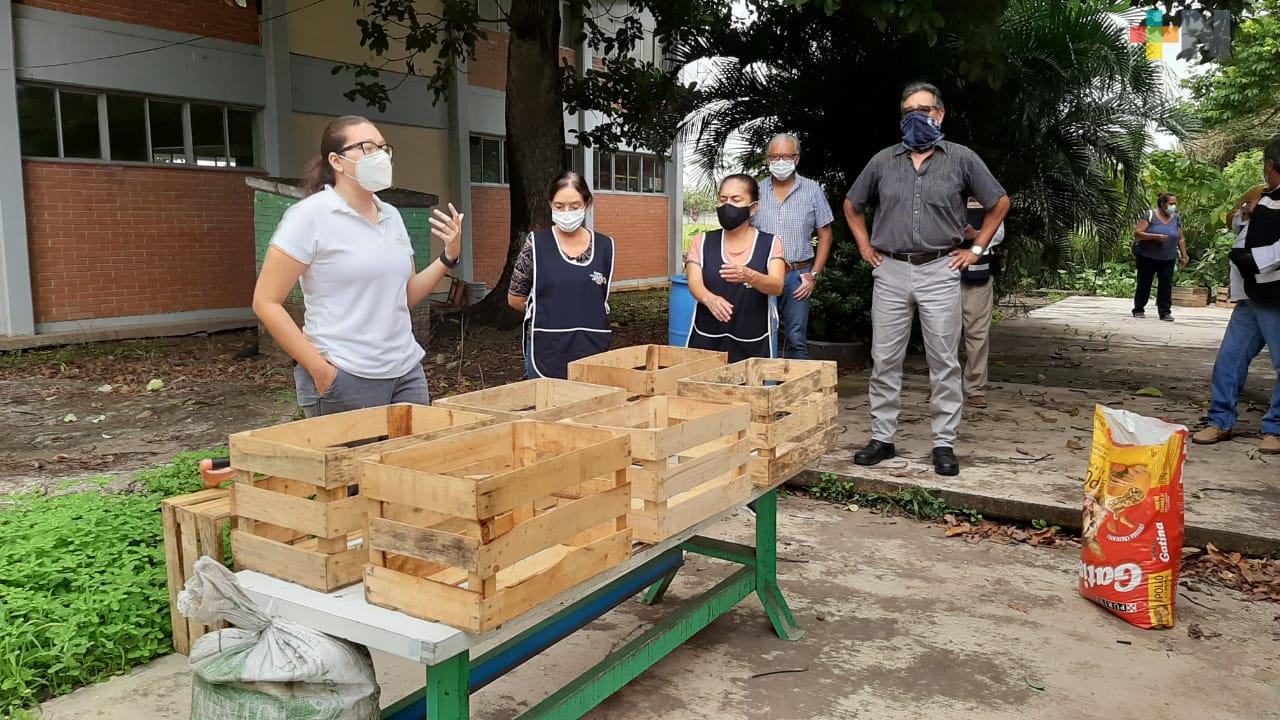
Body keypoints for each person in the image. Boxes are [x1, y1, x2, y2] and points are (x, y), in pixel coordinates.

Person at [843, 82, 1010, 476]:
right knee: (885, 357)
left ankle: (943, 443)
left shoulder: (962, 159)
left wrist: (976, 249)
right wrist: (865, 246)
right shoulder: (883, 161)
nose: (916, 117)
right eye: (908, 112)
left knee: (944, 359)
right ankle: (882, 437)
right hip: (891, 269)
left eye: (924, 110)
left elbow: (999, 202)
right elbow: (852, 204)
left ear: (940, 113)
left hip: (940, 268)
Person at [253, 115, 463, 418]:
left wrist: (448, 256)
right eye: (367, 147)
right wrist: (320, 371)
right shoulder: (309, 216)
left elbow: (404, 296)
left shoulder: (391, 215)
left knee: (415, 450)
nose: (380, 156)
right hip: (345, 376)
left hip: (405, 372)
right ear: (336, 161)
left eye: (383, 147)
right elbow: (266, 302)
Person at [1191, 135, 1280, 454]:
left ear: (1270, 165)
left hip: (1275, 295)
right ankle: (1220, 420)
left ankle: (1276, 429)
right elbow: (1239, 224)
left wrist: (1253, 260)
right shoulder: (1264, 196)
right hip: (1251, 295)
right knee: (1230, 359)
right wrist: (1248, 211)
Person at [508, 172, 615, 379]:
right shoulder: (536, 244)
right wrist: (548, 312)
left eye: (574, 206)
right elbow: (515, 299)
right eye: (559, 206)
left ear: (587, 204)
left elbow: (598, 299)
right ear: (550, 204)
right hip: (547, 349)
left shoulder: (605, 247)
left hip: (592, 349)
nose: (567, 213)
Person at [685, 174, 786, 361]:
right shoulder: (702, 241)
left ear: (753, 207)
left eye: (736, 200)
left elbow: (777, 286)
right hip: (707, 339)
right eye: (723, 200)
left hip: (752, 342)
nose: (727, 205)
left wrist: (750, 276)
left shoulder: (771, 243)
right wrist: (709, 299)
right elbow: (694, 281)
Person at [752, 133, 834, 359]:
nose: (780, 162)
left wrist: (814, 275)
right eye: (775, 157)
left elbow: (826, 235)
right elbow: (743, 231)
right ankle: (764, 379)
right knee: (760, 334)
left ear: (796, 159)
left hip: (798, 276)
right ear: (767, 159)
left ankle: (800, 381)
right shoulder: (756, 191)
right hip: (762, 274)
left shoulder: (812, 190)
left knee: (796, 339)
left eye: (786, 156)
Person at [960, 197, 1006, 409]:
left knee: (977, 332)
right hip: (941, 272)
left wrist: (977, 235)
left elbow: (999, 232)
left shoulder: (988, 194)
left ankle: (975, 388)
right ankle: (943, 387)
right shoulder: (938, 187)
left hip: (978, 273)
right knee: (941, 333)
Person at [1132, 192, 1190, 321]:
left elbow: (1180, 238)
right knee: (1144, 283)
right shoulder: (1150, 215)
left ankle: (1165, 312)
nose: (1173, 206)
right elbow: (1137, 233)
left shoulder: (1176, 218)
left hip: (1168, 257)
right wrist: (1155, 237)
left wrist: (1184, 255)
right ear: (1163, 204)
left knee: (1166, 285)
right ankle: (1139, 309)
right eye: (1171, 204)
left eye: (1175, 204)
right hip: (1147, 256)